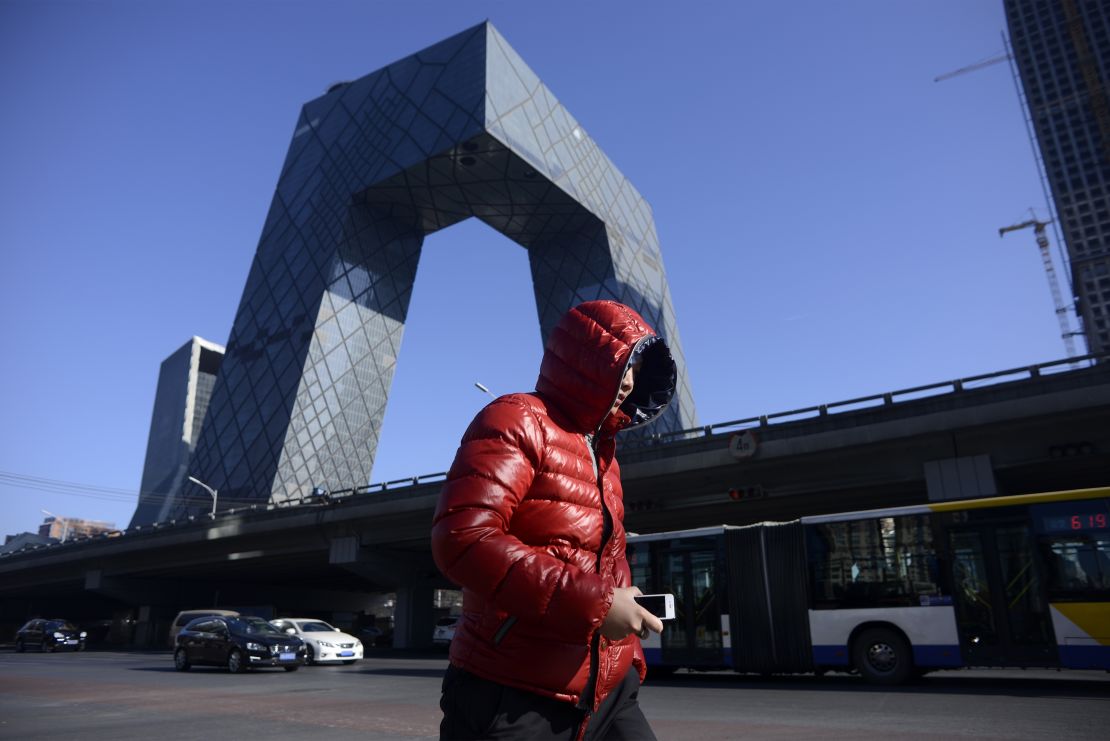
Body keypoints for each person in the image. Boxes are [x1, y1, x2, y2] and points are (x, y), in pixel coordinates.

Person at [431, 300, 678, 741]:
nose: (632, 380)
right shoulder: (516, 418)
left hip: (609, 689)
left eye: (639, 367)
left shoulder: (604, 453)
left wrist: (626, 632)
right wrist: (599, 604)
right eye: (624, 363)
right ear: (586, 360)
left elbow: (603, 561)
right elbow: (463, 539)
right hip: (514, 691)